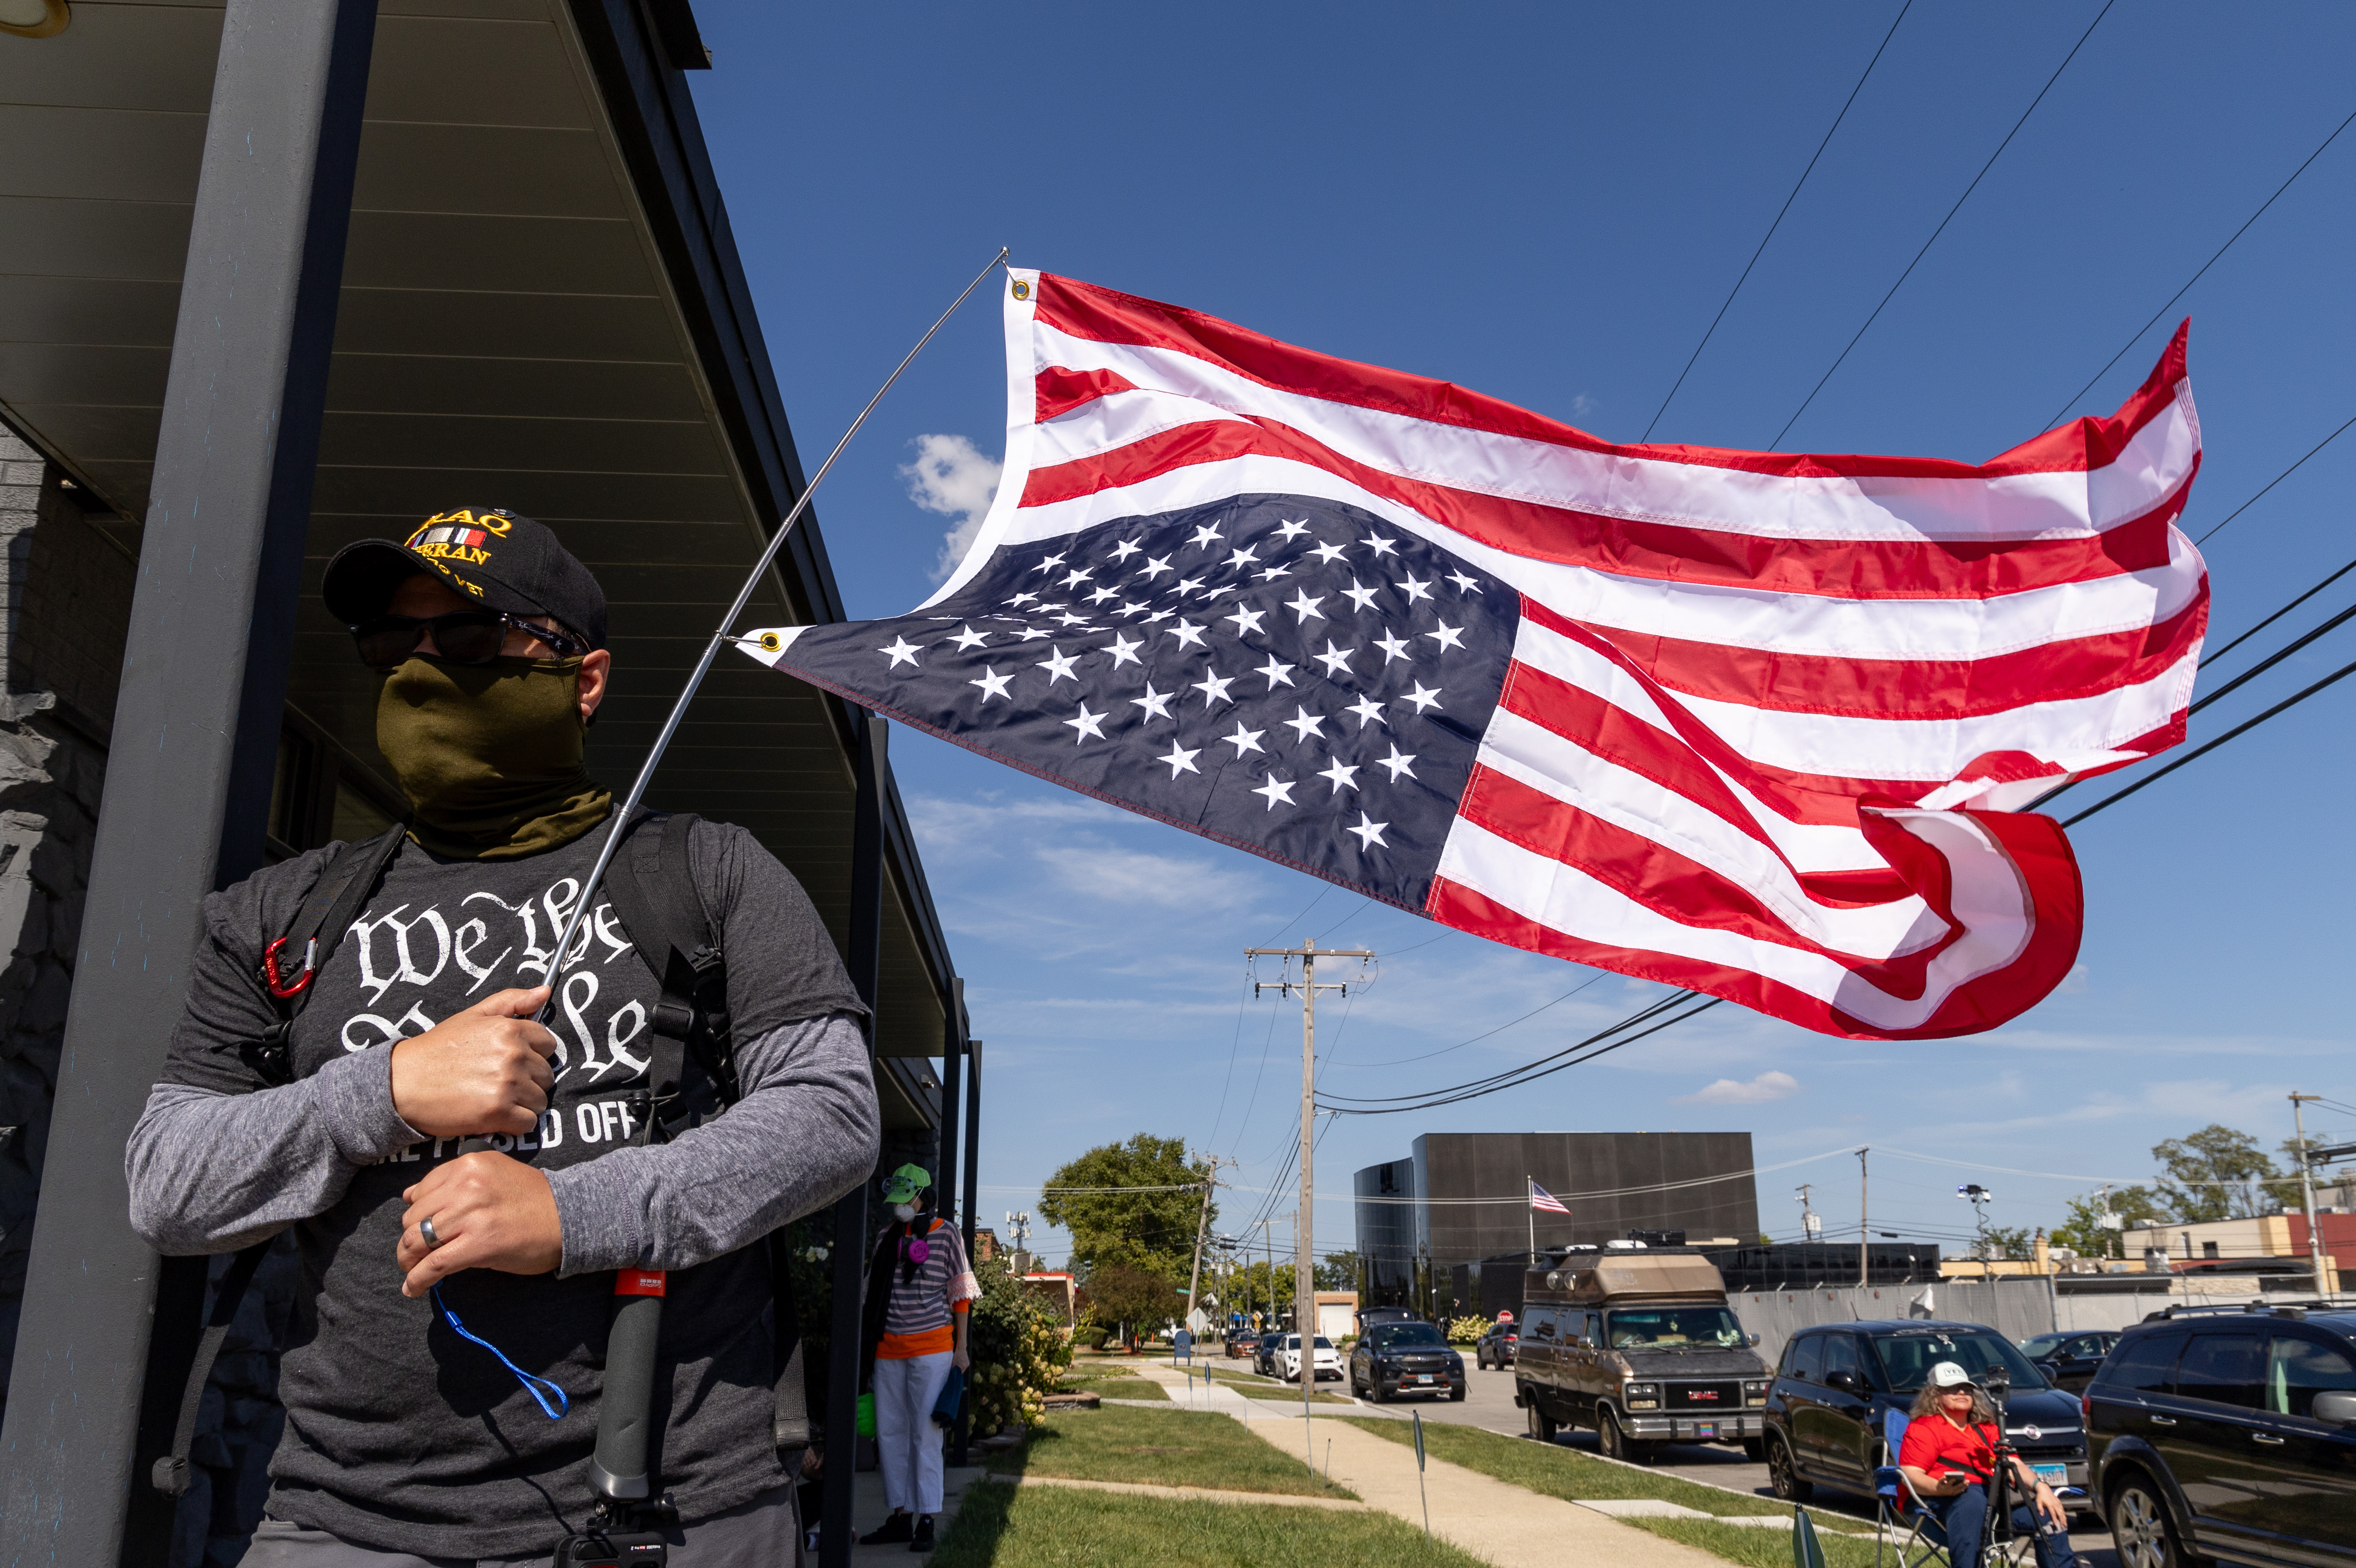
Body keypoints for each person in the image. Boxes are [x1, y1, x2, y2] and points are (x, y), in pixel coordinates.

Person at [124, 507, 881, 1565]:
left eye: (473, 639)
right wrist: (378, 1089)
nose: (425, 667)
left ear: (585, 677)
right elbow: (167, 1184)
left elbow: (833, 1115)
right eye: (393, 642)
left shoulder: (709, 871)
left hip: (673, 1513)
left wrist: (573, 1211)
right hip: (345, 1519)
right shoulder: (280, 914)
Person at [857, 1165, 977, 1553]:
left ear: (923, 1197)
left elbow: (960, 1292)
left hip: (933, 1350)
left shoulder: (947, 1234)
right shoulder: (884, 1238)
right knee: (891, 1434)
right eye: (896, 1201)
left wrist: (961, 1348)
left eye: (906, 1200)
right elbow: (870, 1293)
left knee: (925, 1435)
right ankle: (899, 1517)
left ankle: (927, 1518)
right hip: (887, 1350)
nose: (900, 1208)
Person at [1897, 1361, 2079, 1568]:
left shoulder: (1985, 1428)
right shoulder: (1924, 1428)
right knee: (1972, 1502)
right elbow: (1911, 1474)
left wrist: (2042, 1487)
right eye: (1952, 1389)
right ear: (1935, 1395)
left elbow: (2012, 1462)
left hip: (1993, 1499)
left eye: (1967, 1388)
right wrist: (1939, 1488)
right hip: (1946, 1499)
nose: (1962, 1393)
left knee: (2046, 1513)